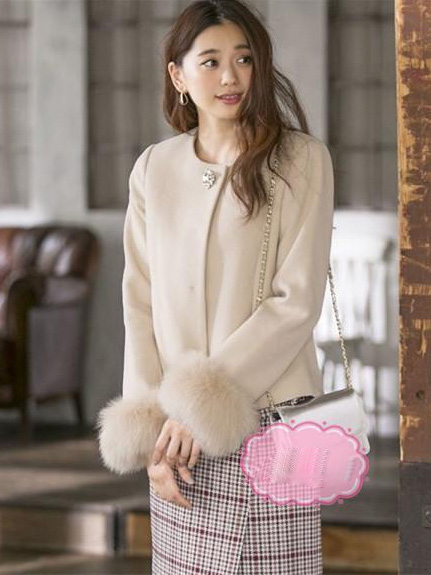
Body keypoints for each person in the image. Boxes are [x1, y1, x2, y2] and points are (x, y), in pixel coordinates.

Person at [97, 0, 334, 573]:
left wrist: (195, 409)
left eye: (244, 59)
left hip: (273, 426)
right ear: (178, 75)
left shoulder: (300, 160)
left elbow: (296, 301)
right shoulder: (153, 168)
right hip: (175, 448)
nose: (231, 77)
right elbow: (139, 302)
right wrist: (154, 429)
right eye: (210, 61)